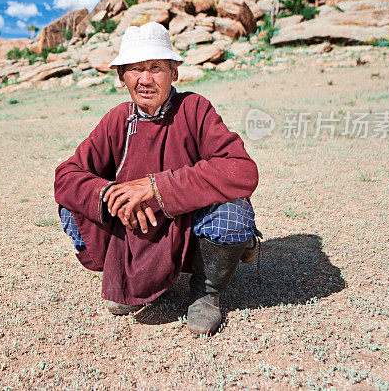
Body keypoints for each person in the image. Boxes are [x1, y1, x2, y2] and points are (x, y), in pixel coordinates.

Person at [54, 22, 260, 336]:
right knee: (74, 203)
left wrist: (155, 187)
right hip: (140, 229)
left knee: (233, 212)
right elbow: (66, 177)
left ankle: (207, 292)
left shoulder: (194, 109)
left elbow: (241, 169)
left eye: (156, 68)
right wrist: (112, 194)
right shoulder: (117, 120)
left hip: (186, 228)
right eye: (136, 69)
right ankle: (130, 276)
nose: (146, 79)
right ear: (121, 77)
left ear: (174, 72)